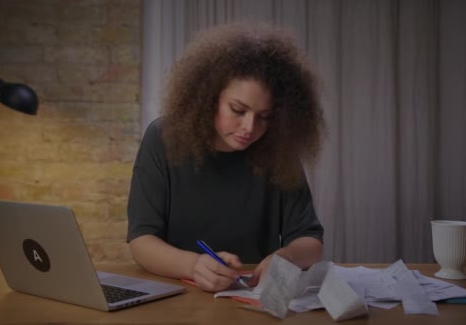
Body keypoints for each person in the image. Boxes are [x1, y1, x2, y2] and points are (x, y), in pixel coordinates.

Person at [126, 22, 325, 292]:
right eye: (238, 109)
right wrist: (194, 266)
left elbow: (309, 240)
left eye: (264, 117)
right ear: (209, 96)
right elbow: (141, 241)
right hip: (177, 296)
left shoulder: (279, 148)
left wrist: (284, 258)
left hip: (251, 299)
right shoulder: (162, 138)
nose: (249, 128)